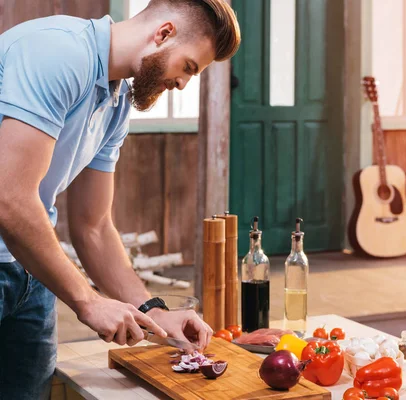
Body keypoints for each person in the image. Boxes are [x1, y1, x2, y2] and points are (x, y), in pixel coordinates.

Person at [0, 0, 241, 398]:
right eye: (188, 67)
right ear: (163, 34)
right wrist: (87, 300)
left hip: (30, 269)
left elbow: (93, 226)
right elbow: (9, 197)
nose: (183, 83)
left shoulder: (116, 103)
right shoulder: (59, 52)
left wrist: (153, 311)